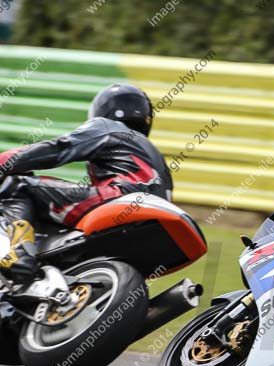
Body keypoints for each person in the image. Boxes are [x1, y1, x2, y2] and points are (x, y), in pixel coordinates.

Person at [0, 83, 173, 287]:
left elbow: (59, 149)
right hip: (156, 229)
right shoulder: (159, 160)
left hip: (121, 198)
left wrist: (6, 162)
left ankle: (18, 253)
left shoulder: (108, 127)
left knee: (17, 186)